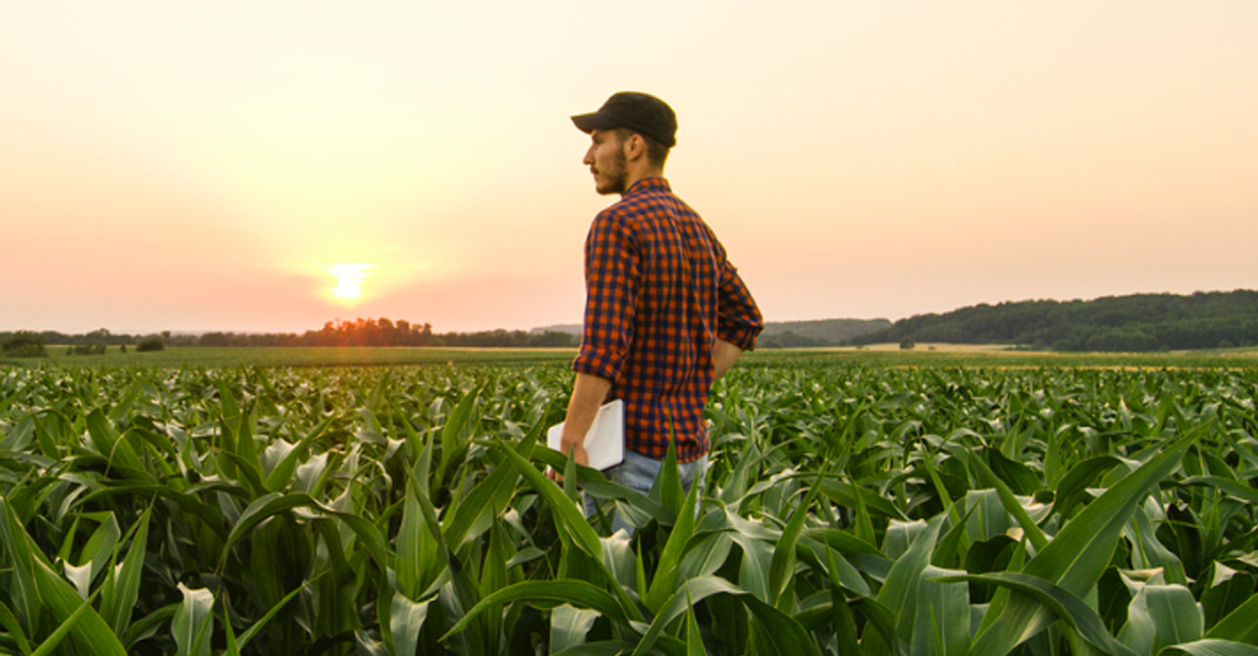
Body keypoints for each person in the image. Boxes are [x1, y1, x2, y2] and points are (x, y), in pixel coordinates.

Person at [553, 91, 763, 529]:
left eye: (598, 141)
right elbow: (746, 318)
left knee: (619, 591)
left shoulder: (618, 224)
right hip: (690, 457)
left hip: (631, 462)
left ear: (633, 147)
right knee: (673, 591)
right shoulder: (695, 226)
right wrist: (690, 382)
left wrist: (572, 437)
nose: (587, 157)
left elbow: (604, 345)